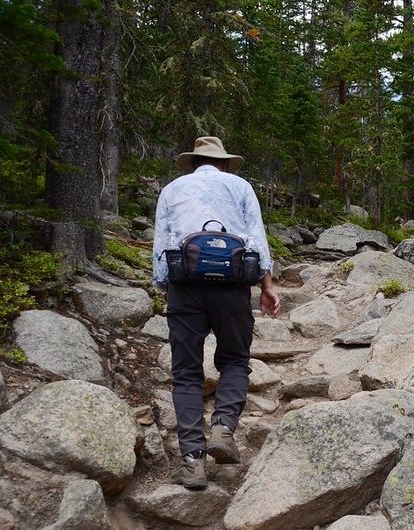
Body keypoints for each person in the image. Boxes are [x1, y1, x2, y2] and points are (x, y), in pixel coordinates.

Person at [152, 136, 280, 490]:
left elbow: (162, 243)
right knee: (235, 360)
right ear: (223, 162)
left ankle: (192, 462)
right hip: (232, 288)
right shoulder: (240, 187)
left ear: (193, 162)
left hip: (186, 287)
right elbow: (257, 240)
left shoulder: (172, 189)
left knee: (187, 373)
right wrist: (267, 287)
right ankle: (223, 429)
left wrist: (168, 287)